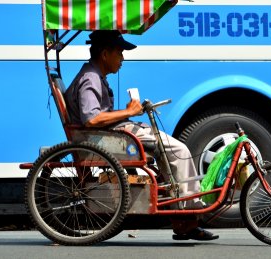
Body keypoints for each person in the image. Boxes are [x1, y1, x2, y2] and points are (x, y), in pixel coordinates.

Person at [64, 30, 218, 241]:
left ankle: (184, 221)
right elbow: (91, 119)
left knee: (165, 153)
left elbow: (99, 115)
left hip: (110, 133)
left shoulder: (94, 75)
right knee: (178, 150)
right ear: (105, 54)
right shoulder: (90, 78)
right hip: (103, 138)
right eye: (119, 53)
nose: (123, 59)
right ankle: (189, 213)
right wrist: (129, 112)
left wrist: (128, 112)